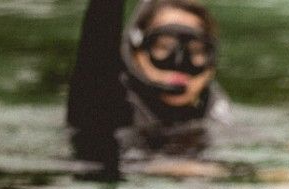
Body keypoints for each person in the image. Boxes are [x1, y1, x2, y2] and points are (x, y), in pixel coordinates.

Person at [66, 0, 230, 175]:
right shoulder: (105, 106)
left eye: (196, 50)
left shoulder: (214, 114)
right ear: (136, 53)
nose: (178, 64)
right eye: (164, 47)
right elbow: (96, 46)